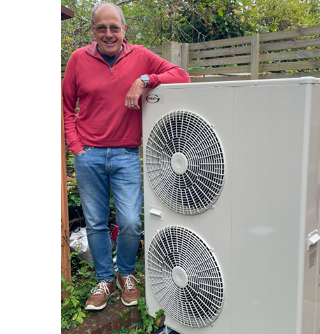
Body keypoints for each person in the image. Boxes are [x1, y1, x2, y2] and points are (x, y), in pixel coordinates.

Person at [62, 2, 190, 311]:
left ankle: (126, 275)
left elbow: (182, 75)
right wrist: (76, 147)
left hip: (126, 155)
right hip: (88, 155)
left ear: (124, 30)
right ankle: (104, 279)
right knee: (95, 223)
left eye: (114, 27)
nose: (108, 34)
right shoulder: (79, 59)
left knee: (131, 222)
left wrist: (145, 79)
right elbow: (67, 107)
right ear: (93, 31)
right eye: (101, 28)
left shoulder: (142, 56)